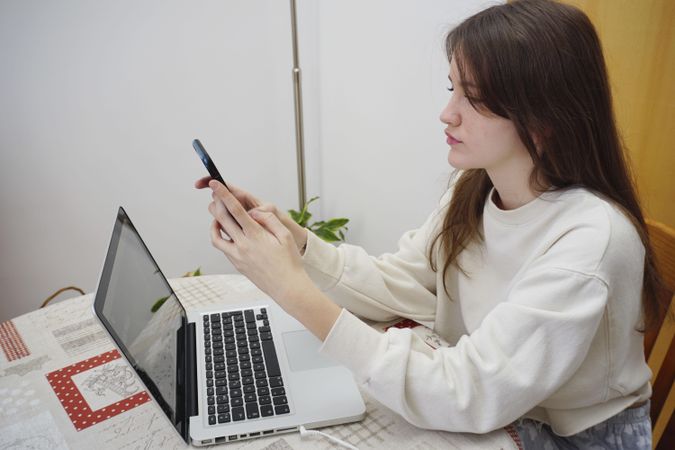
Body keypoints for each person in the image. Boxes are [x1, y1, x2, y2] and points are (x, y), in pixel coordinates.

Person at [196, 0, 664, 448]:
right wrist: (295, 242)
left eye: (474, 97)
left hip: (568, 438)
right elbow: (401, 284)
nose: (448, 113)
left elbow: (469, 394)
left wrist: (292, 291)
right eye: (452, 89)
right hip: (495, 407)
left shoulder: (590, 242)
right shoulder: (474, 190)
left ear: (545, 117)